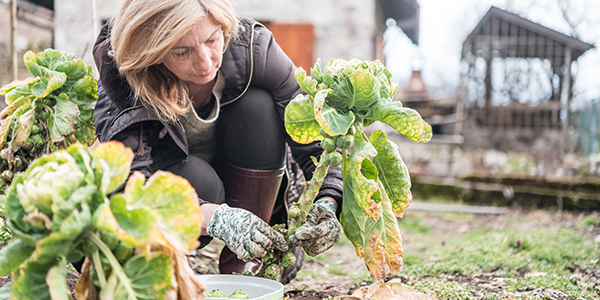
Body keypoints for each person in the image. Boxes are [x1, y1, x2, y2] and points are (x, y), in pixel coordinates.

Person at [92, 0, 343, 284]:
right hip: (179, 177)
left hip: (243, 163)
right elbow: (129, 186)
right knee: (199, 179)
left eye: (212, 40)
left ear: (224, 27)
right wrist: (212, 217)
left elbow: (313, 135)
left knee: (258, 106)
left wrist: (329, 199)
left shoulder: (253, 48)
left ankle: (253, 255)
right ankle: (167, 264)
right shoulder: (125, 76)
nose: (205, 62)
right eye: (182, 51)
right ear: (152, 51)